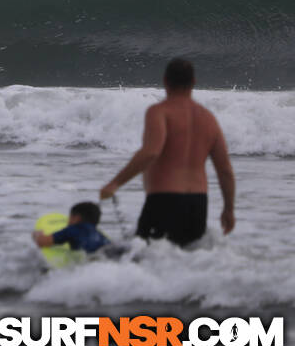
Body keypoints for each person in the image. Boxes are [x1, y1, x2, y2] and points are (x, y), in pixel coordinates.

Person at [100, 57, 236, 247]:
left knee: (145, 261)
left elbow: (151, 152)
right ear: (193, 82)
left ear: (165, 80)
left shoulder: (159, 112)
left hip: (164, 201)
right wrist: (228, 209)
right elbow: (225, 170)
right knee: (185, 264)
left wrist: (115, 183)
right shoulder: (208, 118)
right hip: (197, 204)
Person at [33, 201, 110, 253]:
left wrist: (37, 234)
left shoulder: (73, 230)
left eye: (69, 217)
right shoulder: (100, 235)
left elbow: (42, 242)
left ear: (76, 218)